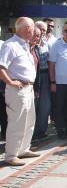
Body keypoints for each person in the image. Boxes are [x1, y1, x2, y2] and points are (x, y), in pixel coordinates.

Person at [0, 17, 40, 166]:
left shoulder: (24, 45)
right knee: (16, 122)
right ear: (28, 28)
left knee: (29, 121)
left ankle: (23, 149)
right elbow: (1, 68)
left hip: (28, 88)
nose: (35, 32)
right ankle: (11, 155)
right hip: (18, 89)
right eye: (33, 28)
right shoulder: (10, 45)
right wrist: (10, 82)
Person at [33, 22, 51, 139]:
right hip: (34, 77)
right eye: (40, 29)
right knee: (33, 106)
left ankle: (42, 129)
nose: (43, 32)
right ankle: (32, 132)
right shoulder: (30, 44)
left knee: (45, 105)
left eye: (44, 30)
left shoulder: (47, 44)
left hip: (46, 75)